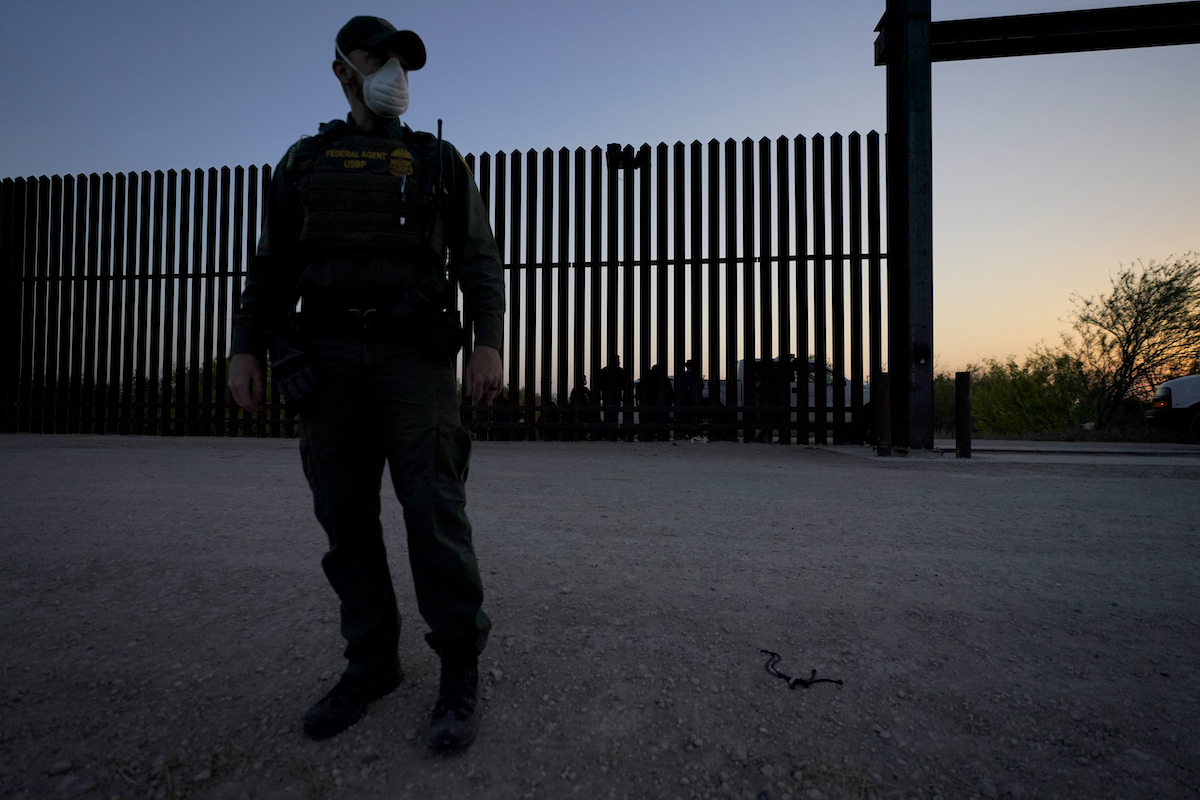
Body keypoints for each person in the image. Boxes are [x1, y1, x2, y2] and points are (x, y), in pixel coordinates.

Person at [227, 15, 505, 753]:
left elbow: (478, 257)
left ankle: (458, 668)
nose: (394, 73)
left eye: (403, 62)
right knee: (345, 523)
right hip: (325, 360)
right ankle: (372, 663)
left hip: (414, 361)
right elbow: (272, 265)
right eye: (378, 59)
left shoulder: (440, 161)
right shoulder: (304, 162)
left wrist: (488, 344)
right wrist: (246, 348)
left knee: (435, 517)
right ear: (341, 69)